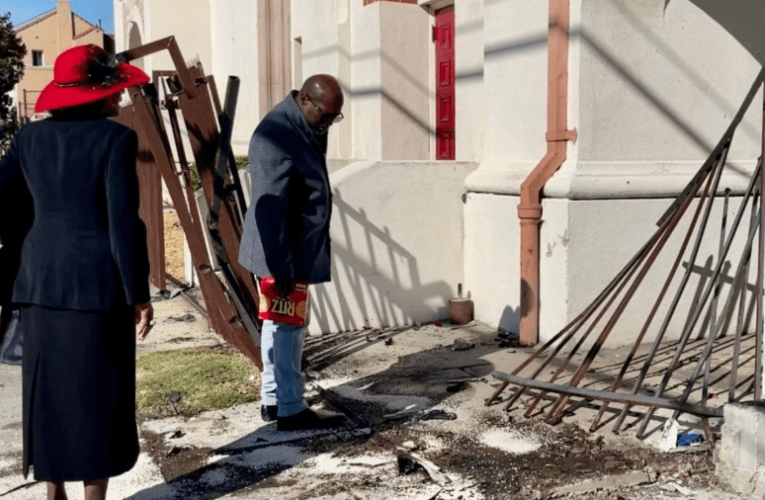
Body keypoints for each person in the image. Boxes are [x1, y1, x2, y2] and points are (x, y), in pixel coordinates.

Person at [0, 44, 155, 500]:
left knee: (48, 394)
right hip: (98, 290)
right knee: (96, 398)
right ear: (99, 95)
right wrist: (138, 293)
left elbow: (3, 198)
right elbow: (123, 223)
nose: (120, 98)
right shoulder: (116, 140)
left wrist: (31, 241)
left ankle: (54, 492)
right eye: (114, 90)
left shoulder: (29, 138)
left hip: (40, 285)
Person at [239, 75, 346, 431]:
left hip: (288, 247)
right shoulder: (277, 135)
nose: (329, 124)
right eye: (326, 115)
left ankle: (273, 399)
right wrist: (281, 263)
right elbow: (269, 207)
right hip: (281, 250)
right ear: (304, 98)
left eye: (335, 118)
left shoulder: (303, 124)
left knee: (277, 322)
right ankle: (290, 408)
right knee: (289, 326)